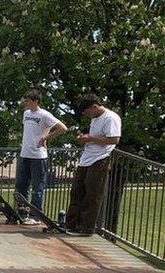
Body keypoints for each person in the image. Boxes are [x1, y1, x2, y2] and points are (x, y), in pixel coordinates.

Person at [66, 94, 121, 236]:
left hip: (100, 158)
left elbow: (114, 139)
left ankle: (87, 228)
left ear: (94, 106)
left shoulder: (110, 118)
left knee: (92, 193)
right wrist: (86, 139)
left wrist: (90, 138)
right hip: (86, 158)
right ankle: (72, 225)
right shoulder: (95, 118)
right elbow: (96, 137)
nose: (87, 116)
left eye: (87, 112)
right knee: (77, 191)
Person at [16, 89, 67, 223]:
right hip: (25, 153)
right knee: (21, 184)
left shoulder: (44, 115)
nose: (25, 103)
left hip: (38, 155)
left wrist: (46, 137)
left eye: (28, 101)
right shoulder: (26, 113)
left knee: (37, 187)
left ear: (36, 101)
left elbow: (62, 128)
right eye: (25, 101)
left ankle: (35, 214)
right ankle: (21, 212)